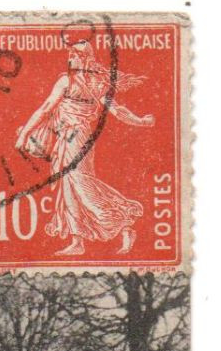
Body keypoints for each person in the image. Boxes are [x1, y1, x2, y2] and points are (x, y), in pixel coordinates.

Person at [14, 32, 154, 256]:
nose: (71, 57)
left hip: (79, 136)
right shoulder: (65, 80)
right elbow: (46, 108)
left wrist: (140, 121)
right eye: (70, 53)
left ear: (86, 58)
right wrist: (25, 134)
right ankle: (77, 240)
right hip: (65, 137)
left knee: (80, 182)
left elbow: (115, 109)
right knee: (68, 185)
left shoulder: (93, 83)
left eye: (76, 54)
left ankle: (123, 221)